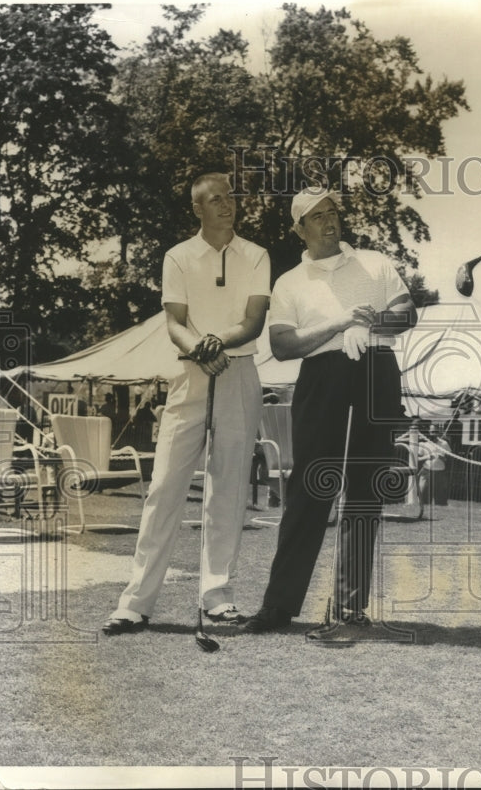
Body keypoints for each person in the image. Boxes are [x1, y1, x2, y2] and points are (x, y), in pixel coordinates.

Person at [243, 187, 417, 638]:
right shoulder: (289, 282)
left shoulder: (375, 262)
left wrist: (369, 323)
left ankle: (348, 608)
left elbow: (407, 312)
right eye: (317, 216)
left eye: (334, 212)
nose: (330, 221)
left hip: (376, 371)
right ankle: (278, 605)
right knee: (309, 486)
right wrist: (342, 324)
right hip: (322, 376)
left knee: (364, 489)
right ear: (299, 228)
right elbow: (282, 346)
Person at [102, 172, 270, 635]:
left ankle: (217, 598)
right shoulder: (177, 256)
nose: (226, 205)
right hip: (189, 372)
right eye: (214, 200)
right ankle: (135, 603)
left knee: (229, 489)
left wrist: (218, 343)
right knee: (164, 489)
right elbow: (174, 322)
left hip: (239, 372)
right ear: (197, 208)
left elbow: (253, 320)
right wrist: (201, 349)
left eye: (230, 197)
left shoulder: (257, 255)